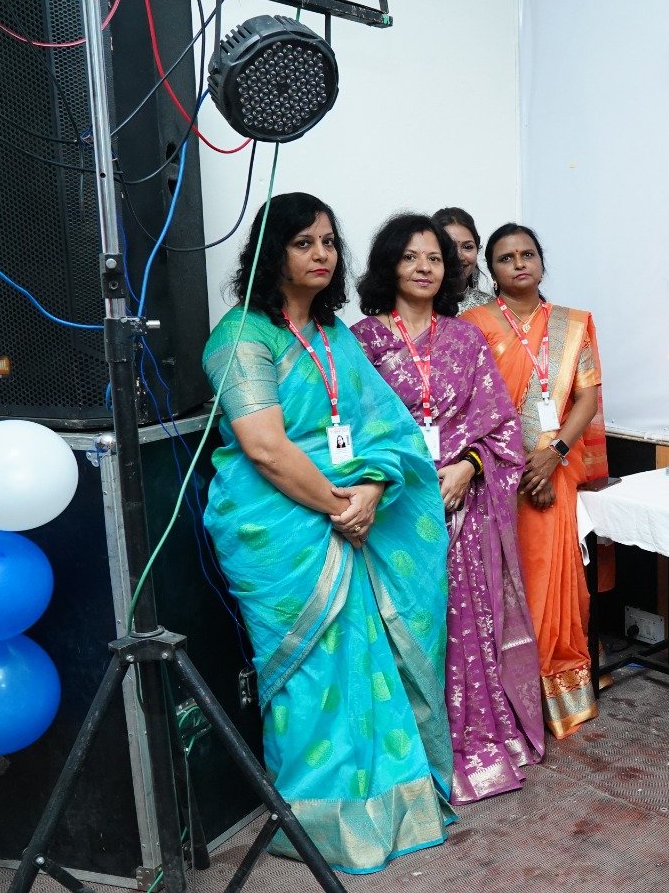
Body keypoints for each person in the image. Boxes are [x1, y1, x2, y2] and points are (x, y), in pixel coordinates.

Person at [202, 193, 454, 873]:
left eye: (329, 242)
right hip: (280, 530)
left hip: (350, 512)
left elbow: (386, 427)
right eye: (303, 242)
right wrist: (342, 509)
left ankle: (393, 808)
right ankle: (321, 822)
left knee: (369, 664)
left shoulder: (334, 334)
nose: (321, 254)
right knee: (314, 676)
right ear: (271, 253)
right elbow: (264, 448)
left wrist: (371, 491)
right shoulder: (241, 338)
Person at [352, 213, 545, 804]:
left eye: (434, 258)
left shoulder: (465, 338)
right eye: (410, 257)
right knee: (403, 630)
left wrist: (470, 466)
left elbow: (501, 427)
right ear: (389, 265)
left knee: (463, 627)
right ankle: (412, 757)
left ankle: (468, 740)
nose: (424, 268)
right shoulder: (362, 341)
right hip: (394, 514)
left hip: (462, 509)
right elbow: (349, 429)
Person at [464, 223, 608, 739]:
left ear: (542, 262)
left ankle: (555, 692)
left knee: (551, 576)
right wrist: (525, 465)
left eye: (528, 254)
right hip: (494, 473)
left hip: (556, 467)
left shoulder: (574, 323)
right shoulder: (472, 325)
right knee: (502, 581)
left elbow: (586, 397)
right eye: (506, 258)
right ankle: (508, 699)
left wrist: (552, 456)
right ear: (491, 270)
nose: (519, 263)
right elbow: (473, 404)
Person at [434, 206, 496, 313]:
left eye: (467, 247)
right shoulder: (418, 304)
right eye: (450, 247)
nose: (459, 256)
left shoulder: (490, 307)